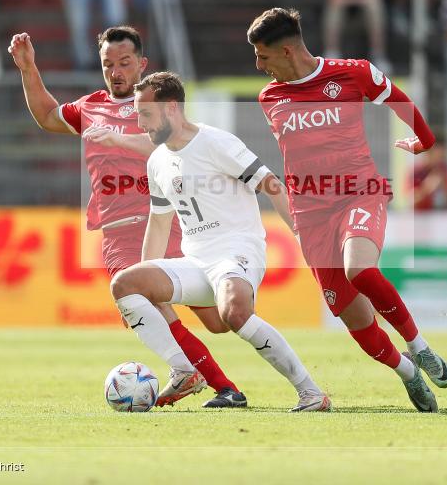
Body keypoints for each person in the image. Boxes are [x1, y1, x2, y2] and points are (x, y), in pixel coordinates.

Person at [8, 26, 246, 409]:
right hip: (119, 233)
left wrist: (118, 139)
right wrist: (27, 69)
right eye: (108, 65)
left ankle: (202, 368)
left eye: (124, 63)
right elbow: (49, 116)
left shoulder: (157, 105)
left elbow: (168, 143)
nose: (116, 71)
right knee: (146, 304)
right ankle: (214, 383)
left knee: (218, 321)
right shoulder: (90, 107)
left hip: (168, 221)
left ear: (142, 64)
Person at [248, 7, 447, 413]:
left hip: (359, 192)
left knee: (360, 269)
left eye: (263, 57)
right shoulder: (270, 97)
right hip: (311, 215)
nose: (259, 66)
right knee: (352, 316)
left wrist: (423, 143)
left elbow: (402, 103)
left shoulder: (353, 73)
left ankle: (420, 347)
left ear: (287, 51)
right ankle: (407, 372)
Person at [108, 71, 331, 412]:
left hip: (237, 250)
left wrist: (303, 236)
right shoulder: (156, 162)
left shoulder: (216, 143)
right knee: (125, 283)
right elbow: (159, 223)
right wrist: (143, 285)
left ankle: (311, 393)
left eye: (146, 114)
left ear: (170, 109)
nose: (141, 124)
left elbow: (272, 185)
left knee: (234, 312)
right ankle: (184, 370)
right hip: (196, 261)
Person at [407, 143, 447, 211]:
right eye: (438, 156)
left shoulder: (444, 170)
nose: (440, 160)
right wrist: (427, 188)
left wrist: (444, 186)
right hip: (420, 216)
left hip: (442, 216)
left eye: (442, 157)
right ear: (428, 154)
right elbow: (410, 200)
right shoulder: (416, 171)